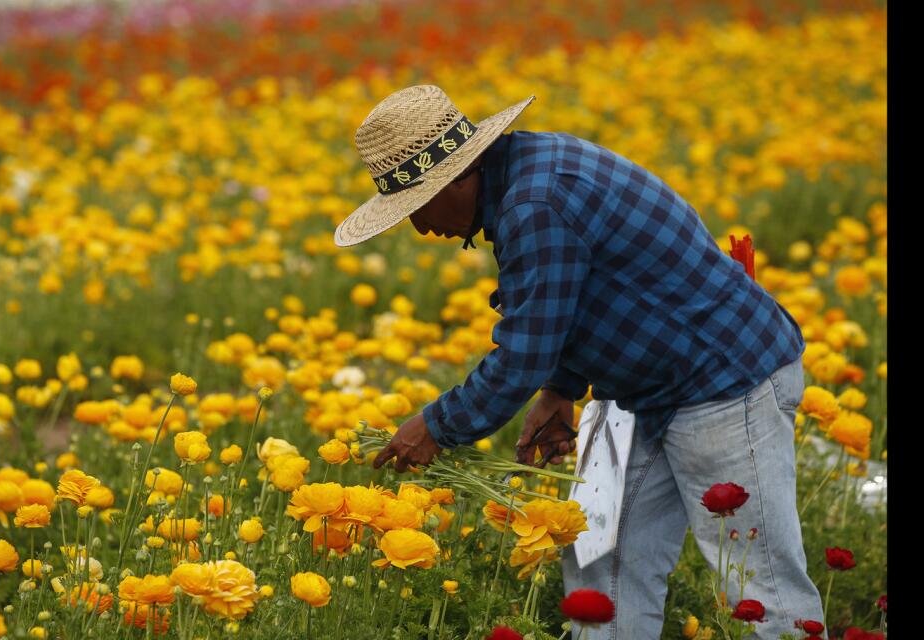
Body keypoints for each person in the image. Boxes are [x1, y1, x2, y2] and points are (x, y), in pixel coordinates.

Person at [337, 85, 822, 639]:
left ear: (454, 177)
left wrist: (436, 426)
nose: (420, 228)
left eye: (415, 208)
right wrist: (561, 389)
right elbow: (582, 295)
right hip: (649, 388)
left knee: (761, 590)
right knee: (600, 566)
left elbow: (521, 356)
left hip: (726, 381)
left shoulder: (533, 203)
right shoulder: (526, 173)